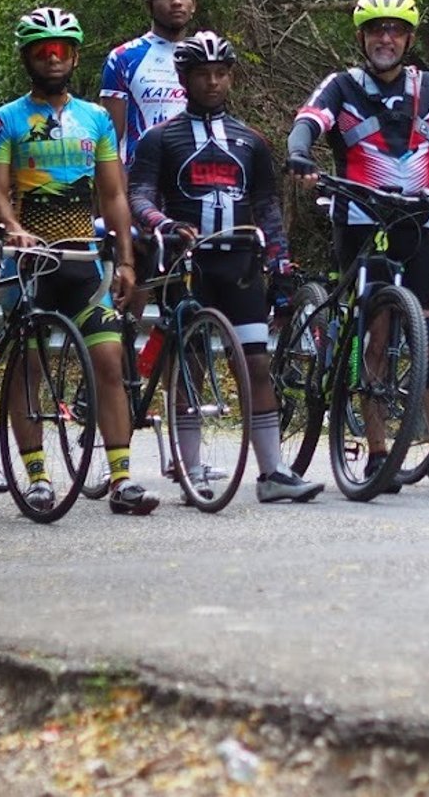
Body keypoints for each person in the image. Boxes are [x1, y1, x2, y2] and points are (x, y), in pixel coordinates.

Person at [286, 0, 429, 495]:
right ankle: (377, 451)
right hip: (358, 218)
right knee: (375, 334)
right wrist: (300, 156)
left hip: (415, 220)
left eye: (396, 29)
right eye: (377, 29)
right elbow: (306, 124)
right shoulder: (341, 85)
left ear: (407, 38)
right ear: (362, 36)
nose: (386, 37)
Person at [127, 31, 323, 504]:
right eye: (202, 75)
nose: (212, 82)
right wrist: (163, 223)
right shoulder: (160, 138)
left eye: (220, 74)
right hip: (185, 263)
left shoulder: (250, 140)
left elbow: (267, 206)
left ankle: (273, 472)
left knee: (255, 362)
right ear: (184, 79)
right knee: (190, 364)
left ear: (230, 77)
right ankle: (191, 469)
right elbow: (139, 195)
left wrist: (280, 266)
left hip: (240, 263)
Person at [0, 6, 151, 514]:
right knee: (30, 365)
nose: (53, 57)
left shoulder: (96, 118)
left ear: (75, 55)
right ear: (27, 57)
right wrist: (14, 229)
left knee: (108, 358)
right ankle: (36, 475)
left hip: (82, 260)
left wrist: (125, 260)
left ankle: (122, 478)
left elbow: (114, 195)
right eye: (42, 49)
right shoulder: (6, 119)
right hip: (27, 266)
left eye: (61, 48)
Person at [102, 0, 198, 164]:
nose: (176, 2)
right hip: (141, 181)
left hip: (194, 182)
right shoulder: (123, 58)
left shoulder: (207, 59)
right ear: (149, 5)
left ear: (193, 5)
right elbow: (109, 143)